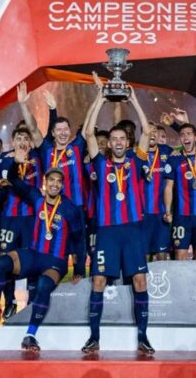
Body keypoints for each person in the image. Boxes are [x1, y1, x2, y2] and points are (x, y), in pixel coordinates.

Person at [0, 161, 86, 353]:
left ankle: (31, 334)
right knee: (0, 264)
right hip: (34, 254)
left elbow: (78, 240)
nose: (55, 184)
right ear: (45, 182)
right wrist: (16, 161)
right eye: (52, 180)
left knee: (43, 286)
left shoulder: (70, 209)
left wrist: (79, 269)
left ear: (62, 185)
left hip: (55, 261)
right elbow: (13, 179)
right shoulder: (36, 198)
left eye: (59, 181)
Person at [81, 79, 155, 355]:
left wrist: (134, 101)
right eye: (114, 139)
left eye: (122, 138)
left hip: (133, 230)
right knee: (98, 281)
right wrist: (100, 98)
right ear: (109, 144)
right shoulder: (101, 163)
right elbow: (88, 134)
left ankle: (143, 337)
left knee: (140, 281)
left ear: (127, 142)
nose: (119, 142)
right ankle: (94, 337)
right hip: (107, 231)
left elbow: (148, 131)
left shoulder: (137, 160)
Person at [0, 127, 41, 319]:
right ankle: (10, 302)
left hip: (31, 218)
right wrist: (14, 162)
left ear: (30, 143)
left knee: (33, 260)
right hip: (10, 218)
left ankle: (31, 303)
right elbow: (3, 184)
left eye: (26, 138)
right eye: (19, 138)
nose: (22, 142)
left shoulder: (37, 158)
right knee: (7, 260)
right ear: (13, 142)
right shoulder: (4, 160)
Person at [164, 122, 196, 261]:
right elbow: (168, 187)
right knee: (180, 257)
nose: (185, 137)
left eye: (189, 134)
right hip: (181, 217)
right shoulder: (174, 159)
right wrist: (168, 211)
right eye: (182, 135)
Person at [140, 122, 174, 261]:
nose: (152, 133)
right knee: (144, 255)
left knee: (162, 255)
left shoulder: (167, 151)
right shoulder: (134, 154)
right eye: (148, 130)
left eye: (154, 131)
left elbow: (188, 149)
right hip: (142, 214)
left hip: (161, 213)